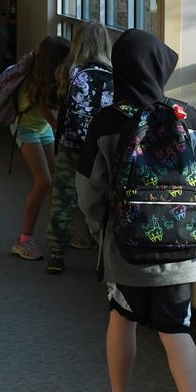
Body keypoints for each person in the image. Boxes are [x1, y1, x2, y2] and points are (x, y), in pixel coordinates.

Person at [74, 29, 196, 392]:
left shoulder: (108, 120)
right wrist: (191, 230)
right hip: (181, 247)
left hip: (125, 248)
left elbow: (88, 190)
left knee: (123, 316)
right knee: (177, 329)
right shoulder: (186, 116)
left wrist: (106, 232)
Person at [45, 20, 114, 274]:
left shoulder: (69, 71)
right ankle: (102, 252)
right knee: (101, 197)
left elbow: (61, 108)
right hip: (100, 148)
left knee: (63, 197)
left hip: (71, 144)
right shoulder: (112, 74)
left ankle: (56, 253)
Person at [10, 35, 71, 261]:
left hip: (42, 128)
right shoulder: (36, 82)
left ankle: (59, 231)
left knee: (54, 181)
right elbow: (52, 116)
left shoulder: (43, 72)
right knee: (43, 182)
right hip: (27, 129)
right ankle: (24, 240)